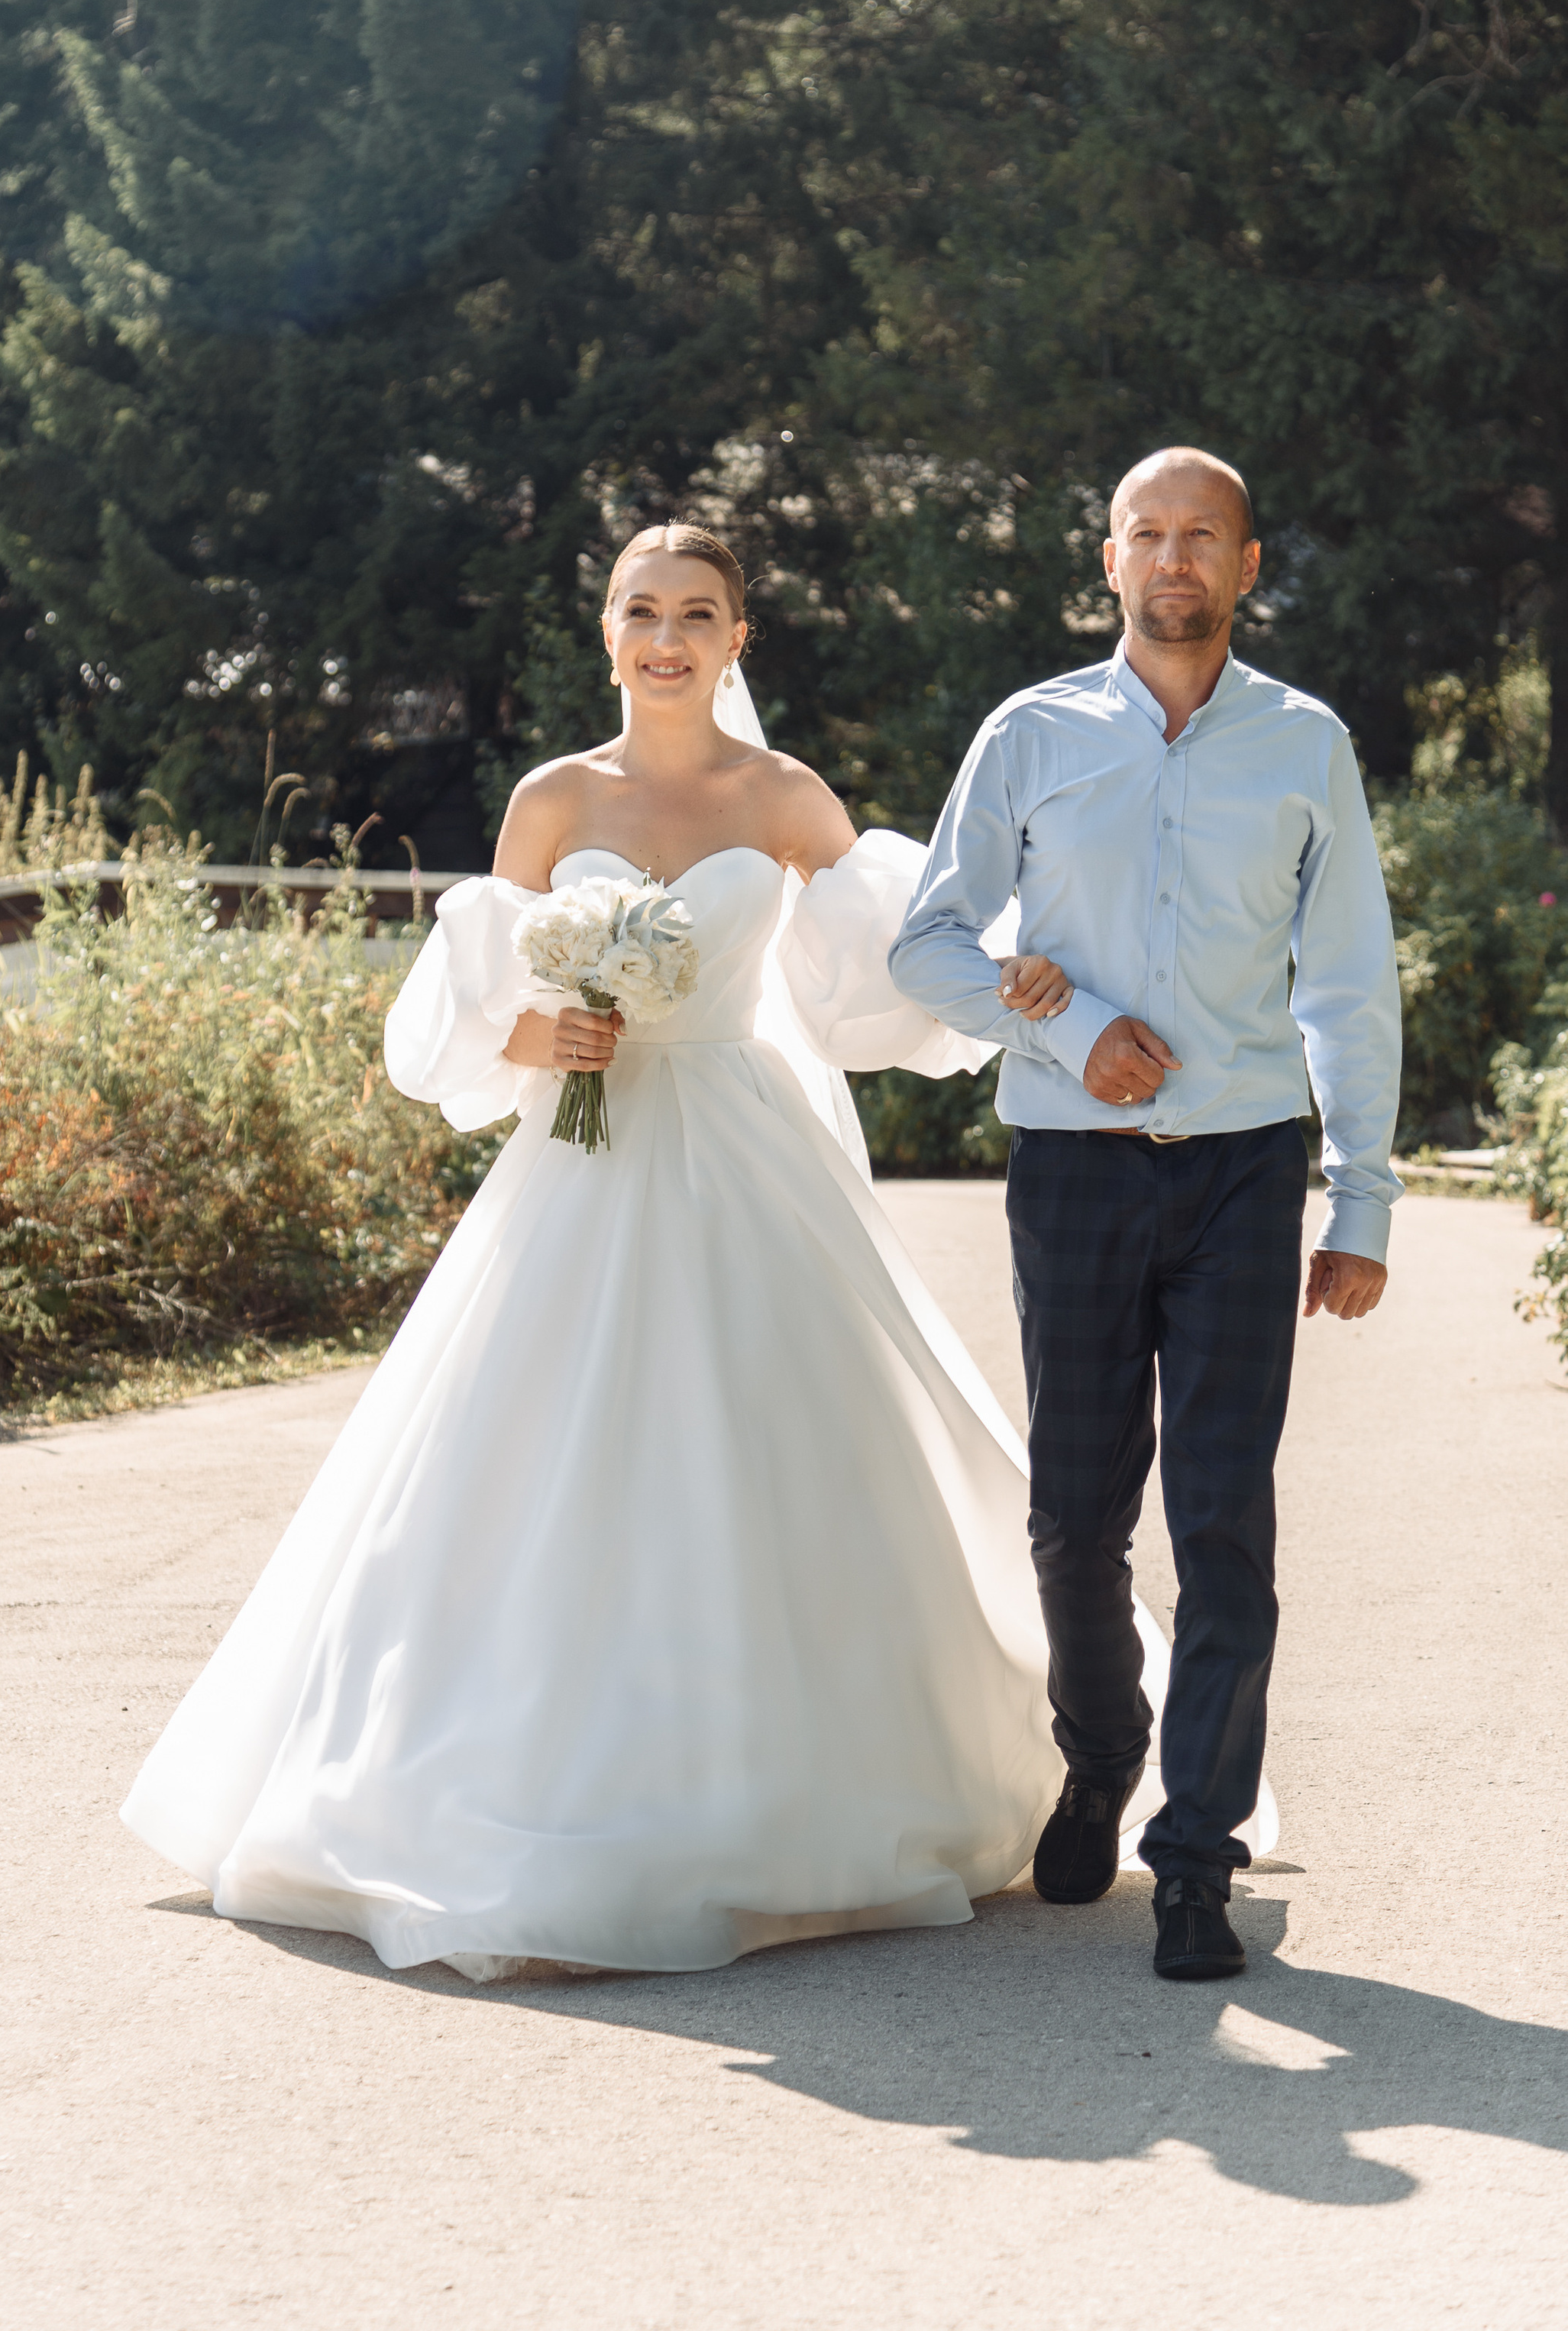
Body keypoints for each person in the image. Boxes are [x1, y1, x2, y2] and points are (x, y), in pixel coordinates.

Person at [122, 522, 1105, 1980]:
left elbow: (899, 959)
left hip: (741, 1151)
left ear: (735, 641)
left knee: (769, 1451)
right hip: (581, 1162)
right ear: (606, 632)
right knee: (524, 1453)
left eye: (696, 614)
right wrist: (548, 1032)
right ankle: (505, 1782)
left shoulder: (784, 795)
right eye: (641, 610)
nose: (667, 636)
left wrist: (1022, 976)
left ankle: (794, 1794)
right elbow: (467, 1009)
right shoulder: (550, 795)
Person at [889, 449, 1401, 1985]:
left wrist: (1358, 1195)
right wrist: (1059, 1023)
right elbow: (927, 944)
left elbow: (1347, 981)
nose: (1171, 558)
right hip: (1074, 1168)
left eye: (1202, 537)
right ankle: (1098, 1751)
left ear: (1245, 567)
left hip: (1246, 1165)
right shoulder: (1027, 734)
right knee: (1072, 1516)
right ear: (1104, 559)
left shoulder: (1304, 747)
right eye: (1145, 534)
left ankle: (1195, 1857)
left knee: (1222, 1519)